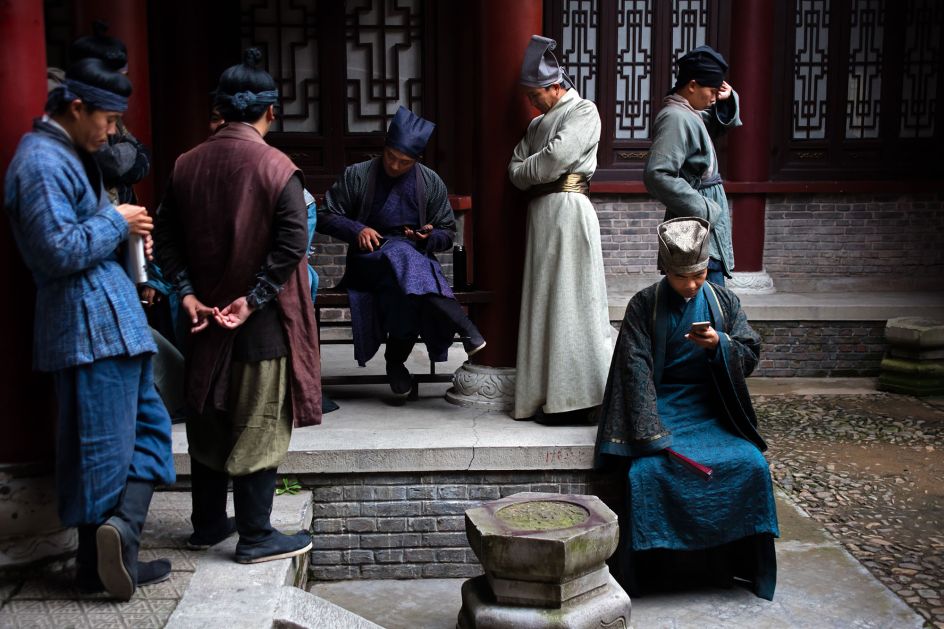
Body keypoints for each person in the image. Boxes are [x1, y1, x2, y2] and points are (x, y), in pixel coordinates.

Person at [4, 57, 176, 600]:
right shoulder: (38, 162)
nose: (113, 132)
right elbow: (55, 251)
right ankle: (102, 557)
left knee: (149, 432)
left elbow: (87, 236)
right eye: (108, 120)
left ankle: (116, 540)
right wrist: (115, 220)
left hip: (113, 322)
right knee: (99, 450)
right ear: (76, 108)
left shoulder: (71, 154)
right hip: (86, 327)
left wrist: (131, 239)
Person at [153, 48, 320, 564]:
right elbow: (292, 245)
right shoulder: (277, 167)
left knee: (207, 415)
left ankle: (207, 524)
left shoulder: (185, 164)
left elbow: (165, 237)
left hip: (202, 319)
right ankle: (255, 535)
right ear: (270, 111)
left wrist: (186, 293)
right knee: (259, 422)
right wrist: (253, 300)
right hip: (259, 325)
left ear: (220, 109)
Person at [595, 217, 779, 600]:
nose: (692, 285)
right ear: (665, 269)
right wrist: (651, 434)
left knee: (751, 464)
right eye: (682, 277)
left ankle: (733, 567)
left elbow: (749, 352)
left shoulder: (724, 302)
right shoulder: (644, 305)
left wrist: (720, 344)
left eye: (699, 275)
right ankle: (654, 574)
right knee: (647, 471)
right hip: (662, 409)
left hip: (712, 408)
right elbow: (635, 372)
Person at [317, 106, 485, 396]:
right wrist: (357, 230)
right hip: (368, 262)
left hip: (412, 266)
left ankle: (395, 362)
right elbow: (325, 215)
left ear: (417, 160)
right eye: (390, 157)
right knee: (399, 253)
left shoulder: (430, 181)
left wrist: (427, 237)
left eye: (404, 162)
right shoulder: (357, 175)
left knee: (408, 287)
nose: (394, 166)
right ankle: (463, 325)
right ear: (384, 149)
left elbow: (446, 231)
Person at [508, 35, 613, 422]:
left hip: (569, 211)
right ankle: (547, 394)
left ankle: (581, 399)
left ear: (555, 86)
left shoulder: (583, 111)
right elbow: (515, 170)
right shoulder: (538, 123)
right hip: (542, 217)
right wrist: (536, 168)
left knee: (575, 302)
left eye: (535, 95)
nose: (531, 103)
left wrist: (533, 168)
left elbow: (555, 159)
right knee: (545, 304)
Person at [644, 45, 741, 286]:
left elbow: (713, 126)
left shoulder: (689, 114)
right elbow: (658, 174)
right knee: (698, 286)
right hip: (694, 220)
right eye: (711, 91)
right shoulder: (675, 117)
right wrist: (704, 209)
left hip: (702, 214)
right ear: (692, 85)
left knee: (708, 285)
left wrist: (726, 100)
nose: (713, 98)